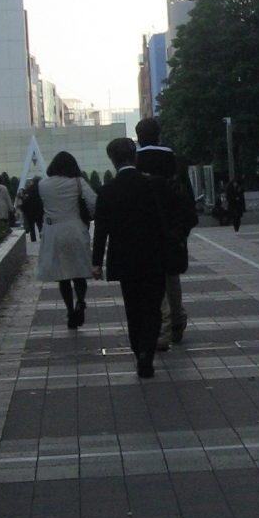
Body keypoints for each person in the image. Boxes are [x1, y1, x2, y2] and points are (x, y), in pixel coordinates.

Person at [92, 136, 168, 379]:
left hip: (124, 259)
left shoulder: (107, 191)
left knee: (133, 309)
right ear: (135, 157)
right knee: (152, 308)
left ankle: (139, 352)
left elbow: (101, 230)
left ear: (112, 161)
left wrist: (96, 262)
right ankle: (147, 352)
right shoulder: (154, 185)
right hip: (154, 256)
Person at [135, 117, 197, 350]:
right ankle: (178, 319)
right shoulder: (175, 161)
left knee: (153, 280)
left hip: (145, 230)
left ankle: (164, 329)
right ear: (159, 135)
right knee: (172, 276)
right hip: (173, 230)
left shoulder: (135, 163)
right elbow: (186, 197)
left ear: (139, 137)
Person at [34, 152, 97, 329]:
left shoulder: (43, 184)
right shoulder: (78, 182)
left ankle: (70, 311)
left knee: (63, 275)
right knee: (79, 272)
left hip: (53, 231)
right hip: (75, 229)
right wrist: (88, 218)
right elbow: (93, 202)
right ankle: (81, 302)